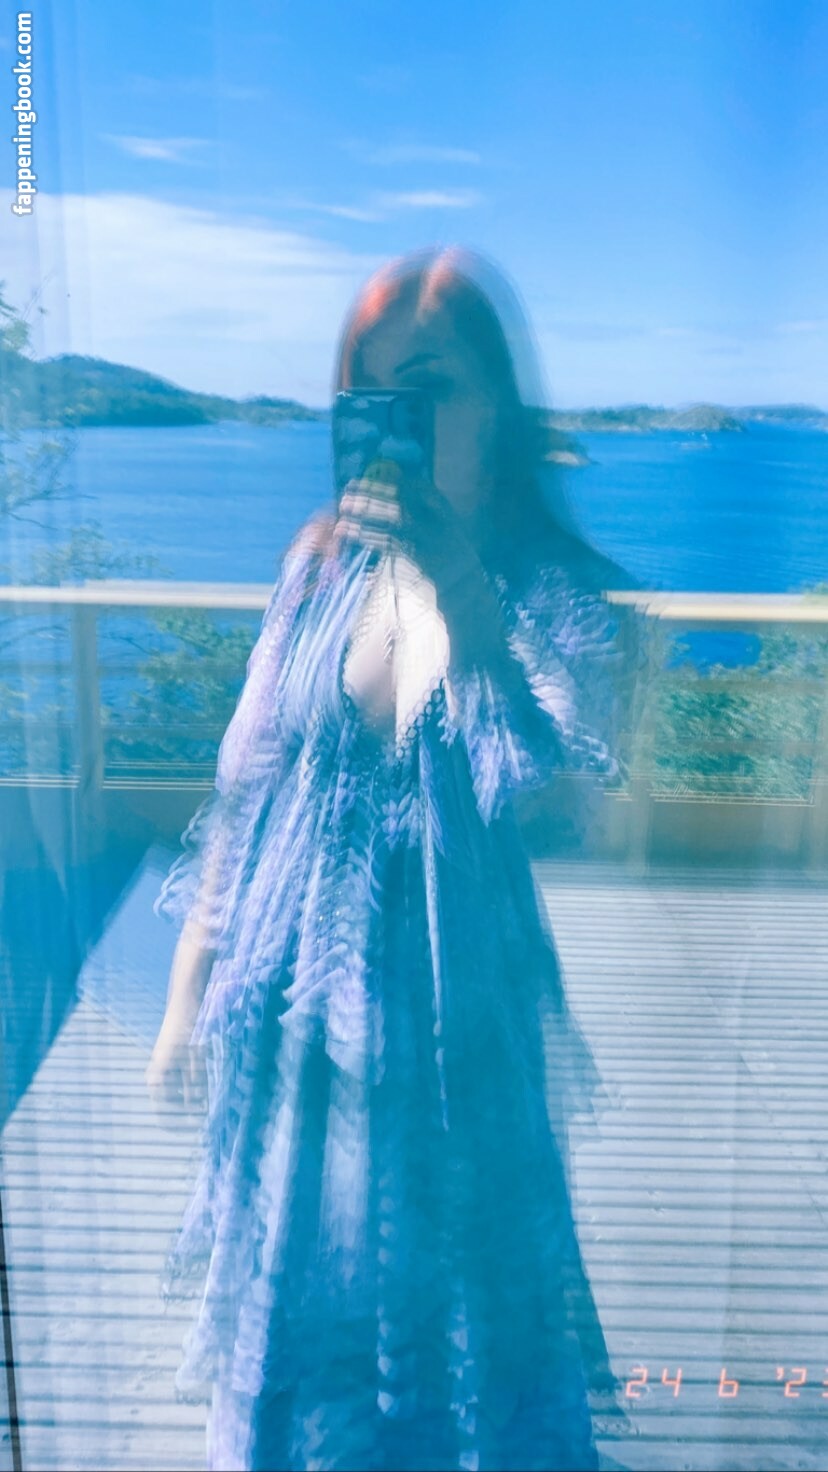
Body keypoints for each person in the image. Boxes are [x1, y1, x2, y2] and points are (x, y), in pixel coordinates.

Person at [146, 245, 641, 1472]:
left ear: (498, 406)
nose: (395, 422)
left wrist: (466, 607)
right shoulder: (318, 569)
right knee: (306, 1365)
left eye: (428, 388)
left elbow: (563, 804)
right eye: (367, 393)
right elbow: (247, 785)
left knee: (461, 1366)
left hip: (457, 1067)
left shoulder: (561, 599)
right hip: (293, 1042)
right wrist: (184, 992)